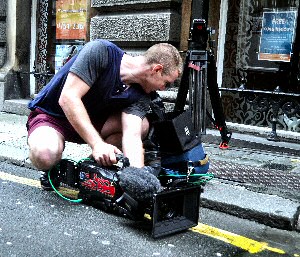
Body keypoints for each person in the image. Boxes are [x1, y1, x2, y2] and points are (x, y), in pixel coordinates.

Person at [26, 39, 182, 190]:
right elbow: (68, 99)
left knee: (143, 125)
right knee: (46, 154)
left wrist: (138, 179)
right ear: (156, 70)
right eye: (166, 83)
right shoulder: (101, 52)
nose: (163, 89)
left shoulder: (142, 94)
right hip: (52, 117)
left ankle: (89, 168)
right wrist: (97, 144)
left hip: (93, 124)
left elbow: (132, 137)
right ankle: (51, 169)